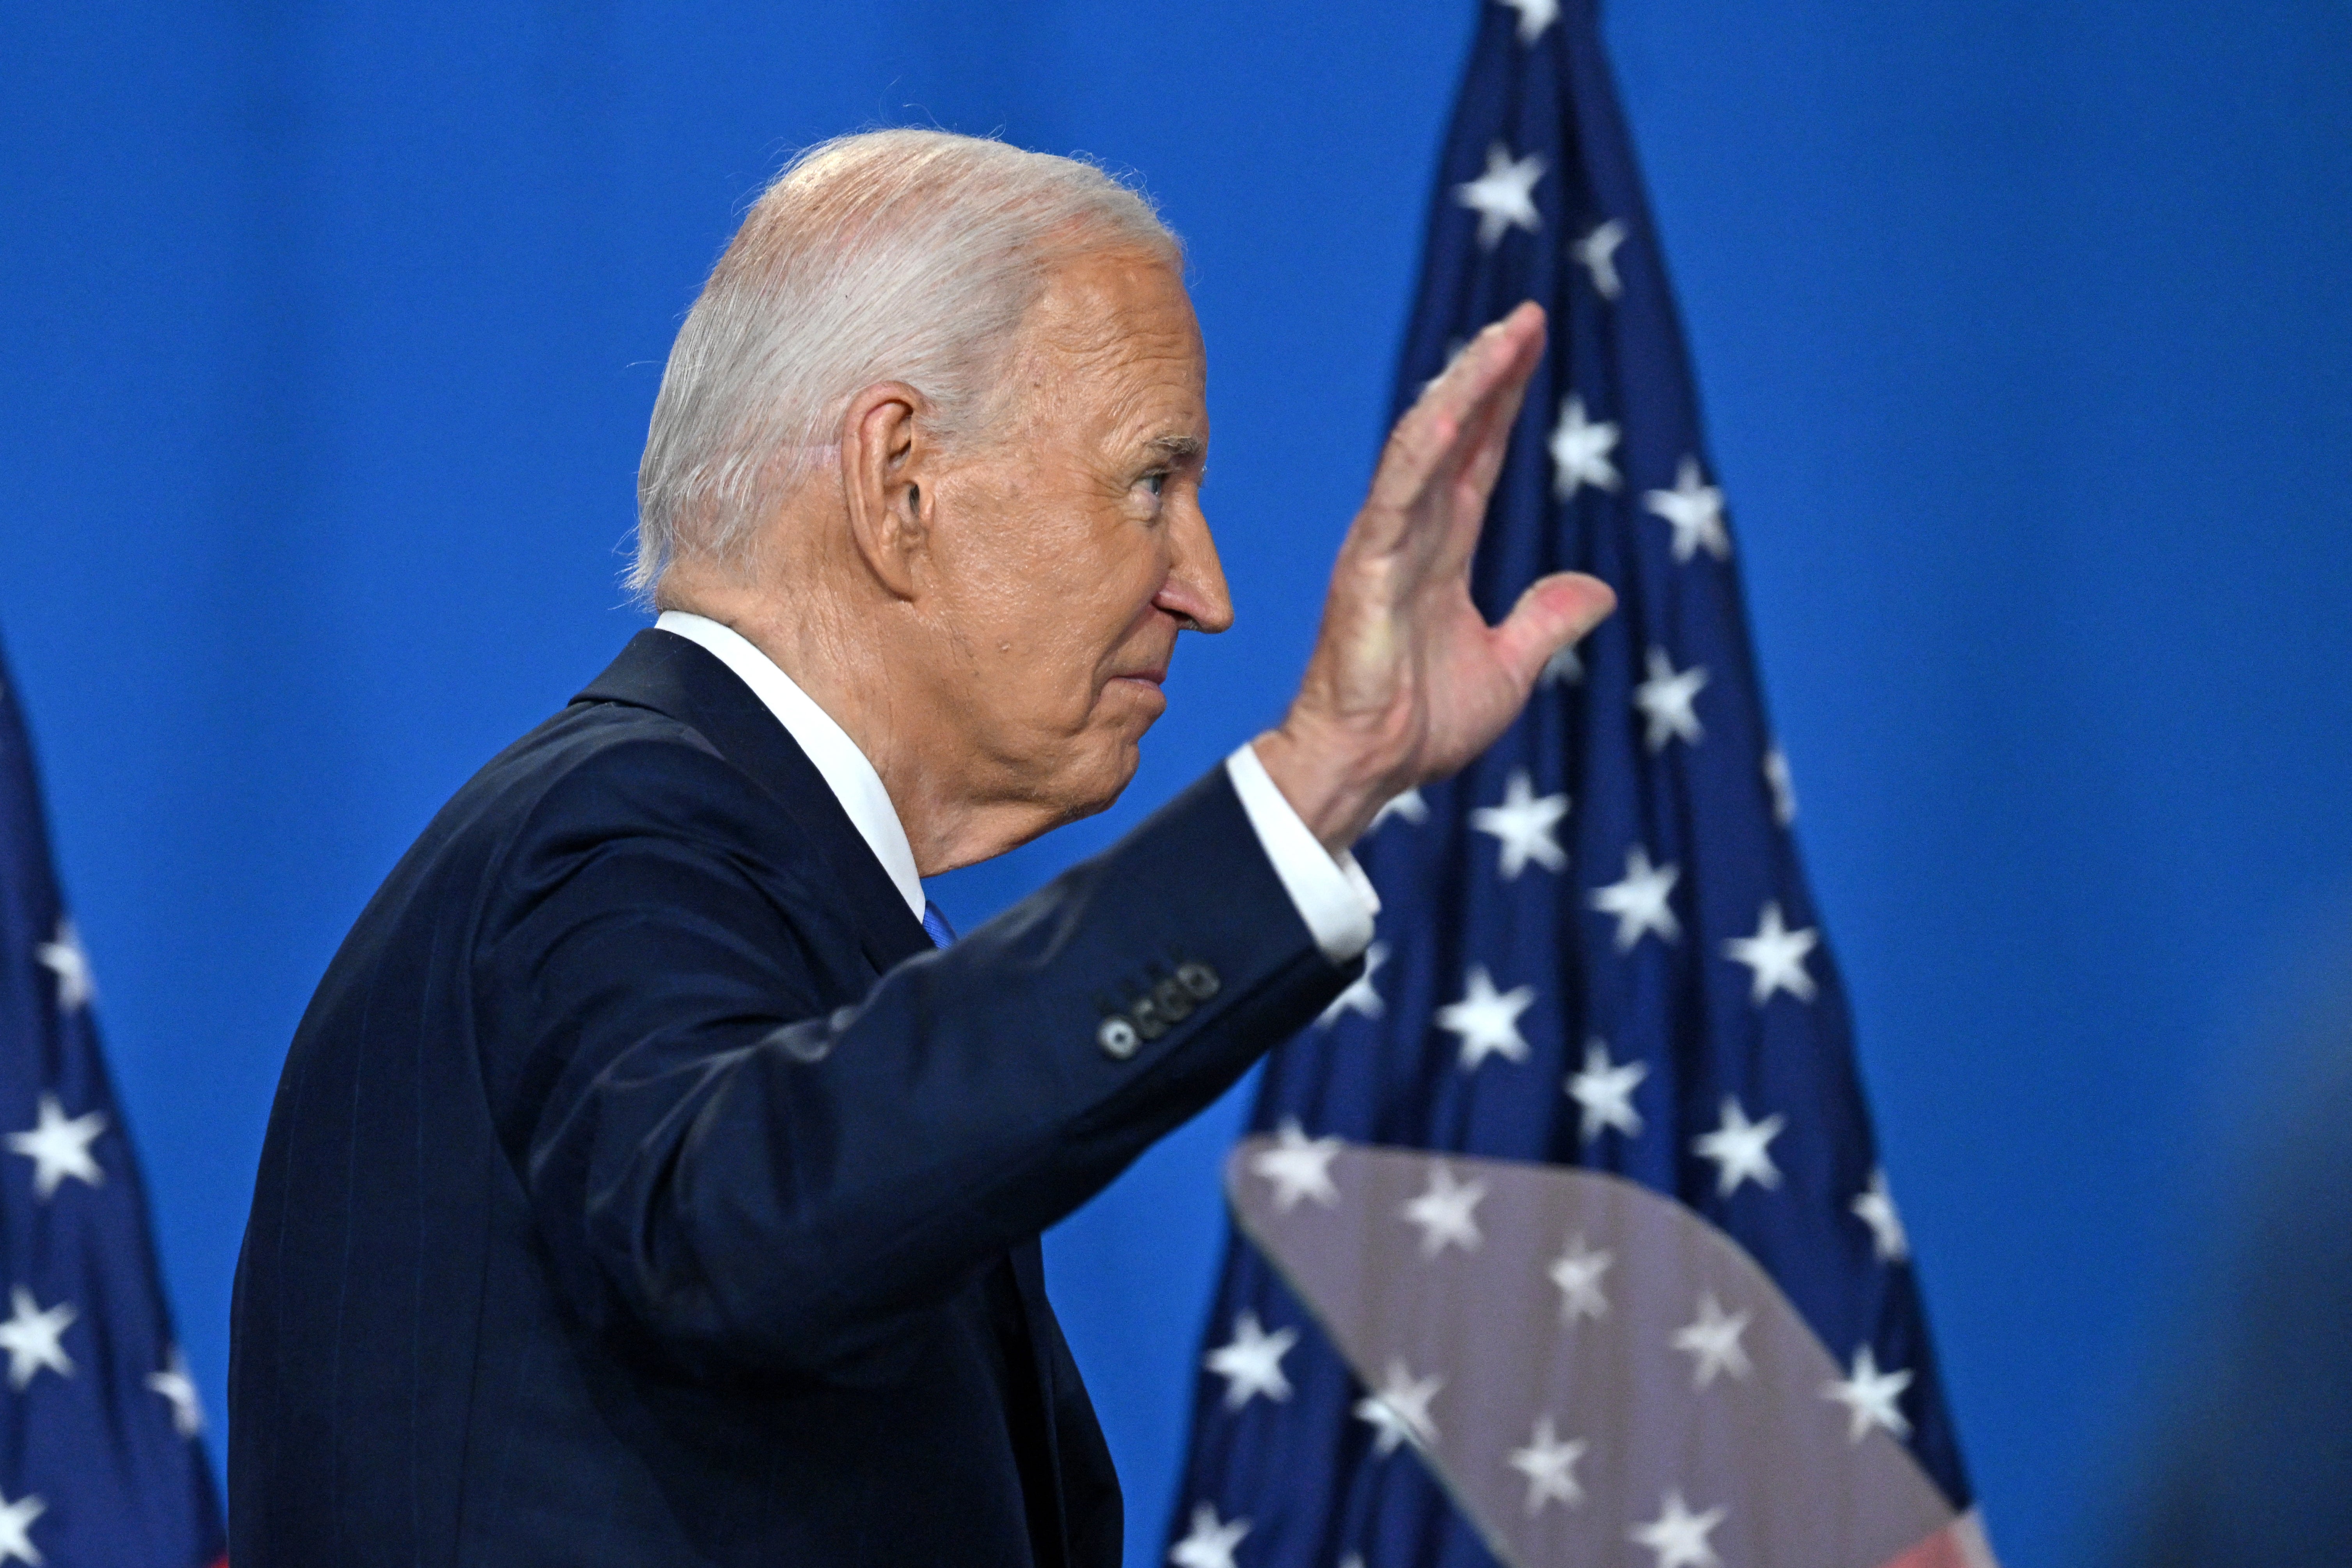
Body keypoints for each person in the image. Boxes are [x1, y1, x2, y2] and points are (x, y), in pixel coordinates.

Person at [227, 128, 1614, 1567]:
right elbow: (745, 1217)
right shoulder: (616, 836)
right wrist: (1316, 780)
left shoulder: (761, 896)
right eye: (1151, 481)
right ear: (899, 481)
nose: (1205, 590)